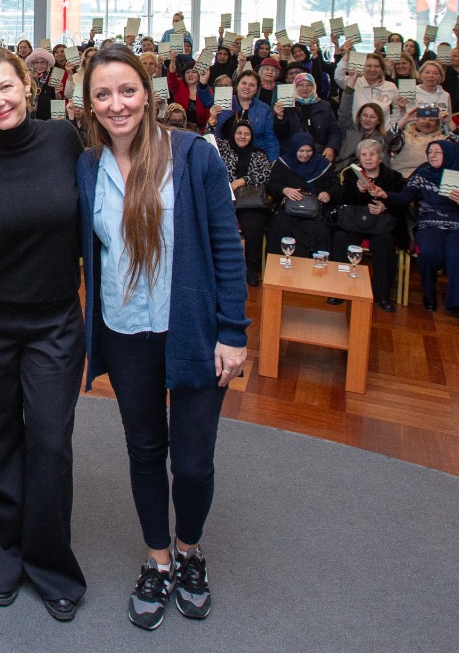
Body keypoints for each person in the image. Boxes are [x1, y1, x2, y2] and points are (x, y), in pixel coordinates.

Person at [76, 42, 248, 631]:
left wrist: (234, 331)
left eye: (127, 90)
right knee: (146, 452)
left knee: (194, 462)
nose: (117, 103)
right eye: (103, 94)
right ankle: (157, 559)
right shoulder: (87, 166)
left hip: (195, 332)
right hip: (127, 334)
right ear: (89, 104)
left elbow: (227, 246)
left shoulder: (194, 155)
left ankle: (189, 549)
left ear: (147, 94)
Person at [0, 46, 87, 621]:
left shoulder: (64, 140)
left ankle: (51, 564)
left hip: (55, 322)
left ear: (27, 88)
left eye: (5, 87)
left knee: (51, 445)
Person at [387, 140, 459, 328]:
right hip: (431, 223)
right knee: (430, 252)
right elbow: (405, 198)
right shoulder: (422, 173)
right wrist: (384, 195)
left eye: (437, 152)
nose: (432, 155)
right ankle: (429, 294)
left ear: (449, 154)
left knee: (458, 253)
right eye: (430, 151)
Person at [331, 139, 405, 313]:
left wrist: (384, 206)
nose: (368, 158)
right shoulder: (350, 174)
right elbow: (343, 202)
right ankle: (338, 289)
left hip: (380, 223)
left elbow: (401, 204)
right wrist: (357, 191)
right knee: (341, 239)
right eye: (364, 155)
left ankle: (382, 295)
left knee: (385, 244)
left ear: (380, 158)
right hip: (355, 221)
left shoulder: (394, 177)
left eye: (372, 154)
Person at [218, 120, 272, 288]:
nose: (242, 136)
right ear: (233, 134)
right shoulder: (223, 149)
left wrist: (243, 180)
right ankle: (223, 268)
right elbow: (209, 138)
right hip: (225, 199)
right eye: (239, 133)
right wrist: (212, 121)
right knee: (219, 225)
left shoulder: (258, 154)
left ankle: (250, 268)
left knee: (254, 226)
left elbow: (266, 174)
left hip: (250, 201)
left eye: (246, 134)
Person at [266, 132, 335, 261]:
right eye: (301, 151)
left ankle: (317, 271)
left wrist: (328, 193)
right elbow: (271, 186)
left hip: (316, 211)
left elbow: (336, 186)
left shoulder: (323, 164)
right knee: (279, 227)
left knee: (323, 232)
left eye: (309, 151)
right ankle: (279, 268)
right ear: (294, 149)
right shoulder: (283, 163)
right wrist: (285, 190)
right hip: (289, 210)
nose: (305, 155)